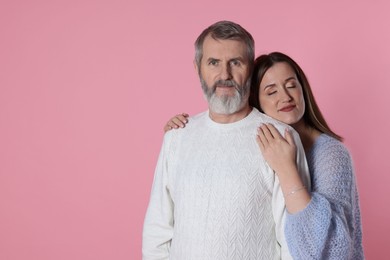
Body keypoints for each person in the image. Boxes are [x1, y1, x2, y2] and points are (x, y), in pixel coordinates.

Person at [165, 52, 364, 259]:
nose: (285, 97)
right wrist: (183, 130)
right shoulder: (258, 145)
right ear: (255, 101)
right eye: (271, 91)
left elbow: (333, 248)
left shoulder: (330, 154)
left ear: (303, 88)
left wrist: (287, 170)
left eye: (291, 85)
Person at [142, 21, 311, 260]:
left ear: (250, 69)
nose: (225, 75)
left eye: (235, 62)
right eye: (213, 63)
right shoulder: (177, 137)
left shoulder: (280, 138)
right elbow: (157, 233)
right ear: (197, 68)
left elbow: (293, 241)